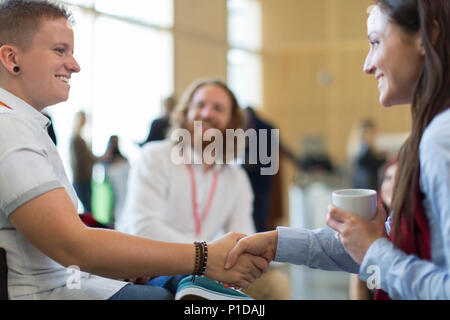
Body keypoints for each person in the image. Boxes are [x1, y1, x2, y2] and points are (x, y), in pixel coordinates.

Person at [0, 0, 267, 300]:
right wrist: (204, 256)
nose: (75, 65)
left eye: (71, 52)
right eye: (60, 50)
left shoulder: (29, 126)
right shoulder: (9, 129)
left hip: (78, 278)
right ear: (12, 59)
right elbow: (74, 246)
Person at [225, 0, 450, 300]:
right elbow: (380, 251)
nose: (367, 65)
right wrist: (276, 243)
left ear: (426, 37)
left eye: (375, 42)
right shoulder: (428, 134)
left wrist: (374, 250)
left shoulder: (440, 138)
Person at [117, 78, 290, 300]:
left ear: (231, 122)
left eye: (218, 108)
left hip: (209, 270)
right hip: (149, 268)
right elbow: (143, 228)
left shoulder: (236, 178)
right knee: (189, 290)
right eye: (200, 105)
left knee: (276, 285)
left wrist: (222, 261)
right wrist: (207, 254)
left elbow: (242, 240)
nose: (207, 113)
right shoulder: (155, 157)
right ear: (186, 112)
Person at [349, 158, 397, 300]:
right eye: (388, 178)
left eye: (400, 178)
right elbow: (357, 280)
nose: (393, 184)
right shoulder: (369, 223)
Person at [347, 118, 386, 190]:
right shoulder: (365, 151)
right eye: (374, 132)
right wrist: (383, 157)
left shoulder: (357, 148)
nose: (376, 134)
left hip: (360, 186)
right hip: (367, 185)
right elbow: (375, 162)